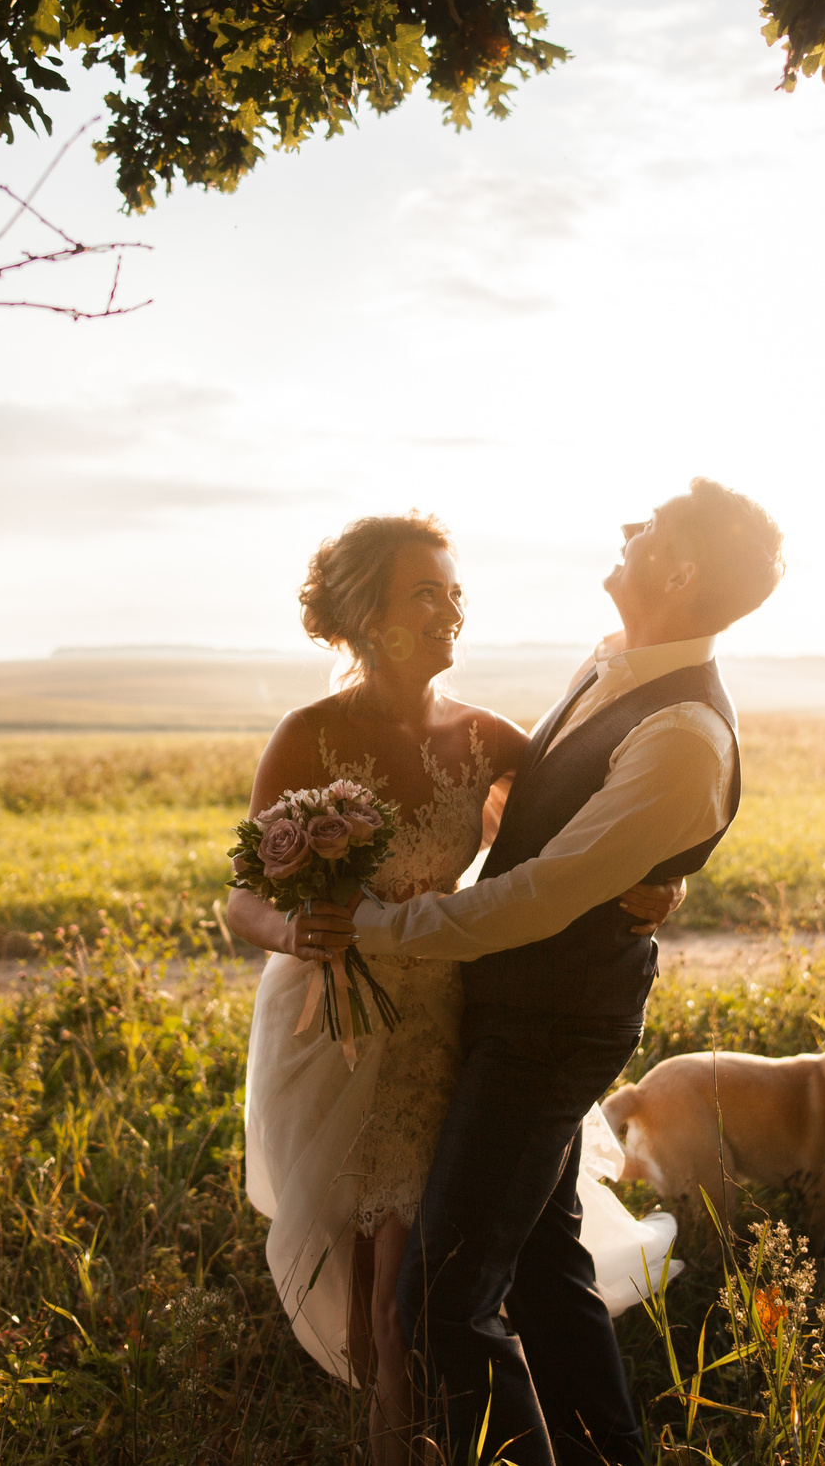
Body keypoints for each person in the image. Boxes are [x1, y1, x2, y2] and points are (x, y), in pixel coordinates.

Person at [330, 477, 787, 1465]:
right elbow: (558, 825)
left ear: (681, 569)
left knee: (443, 1301)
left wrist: (370, 925)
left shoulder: (684, 736)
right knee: (542, 1272)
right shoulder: (618, 661)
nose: (629, 529)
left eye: (651, 525)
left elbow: (541, 894)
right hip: (517, 1000)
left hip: (552, 1026)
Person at [223, 512, 686, 1466]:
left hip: (444, 1017)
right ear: (366, 614)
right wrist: (292, 928)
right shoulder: (307, 735)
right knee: (365, 1299)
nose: (450, 610)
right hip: (330, 1027)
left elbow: (593, 815)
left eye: (454, 591)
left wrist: (662, 875)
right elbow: (242, 898)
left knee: (409, 1296)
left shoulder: (485, 738)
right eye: (423, 593)